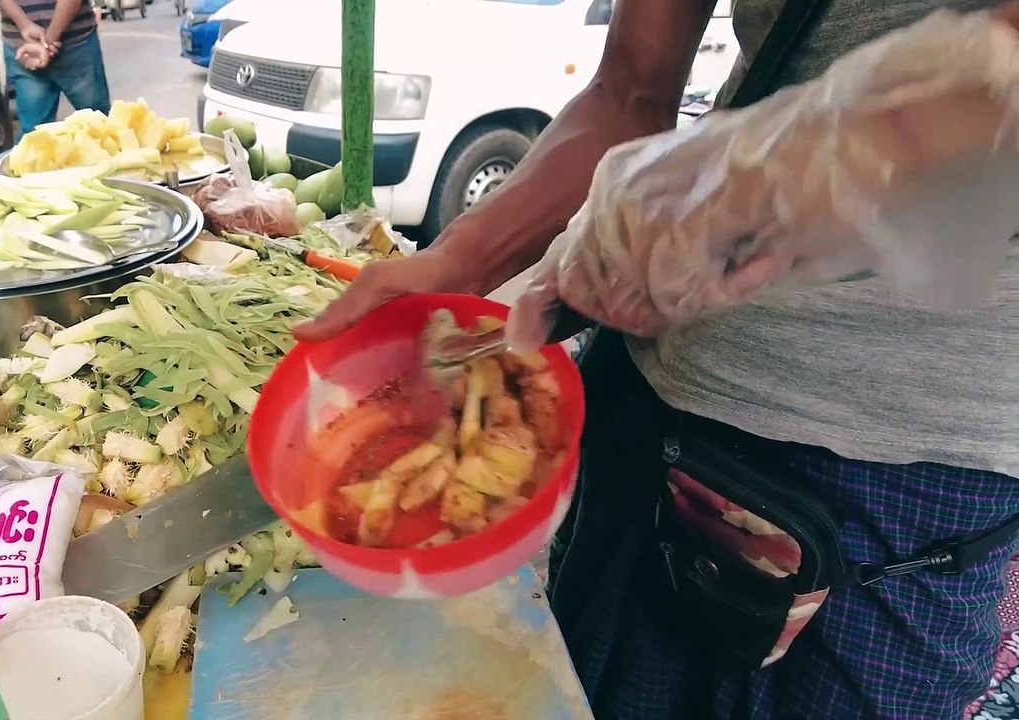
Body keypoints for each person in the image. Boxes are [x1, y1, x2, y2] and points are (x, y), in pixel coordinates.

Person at [296, 2, 1019, 719]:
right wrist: (458, 260)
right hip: (647, 404)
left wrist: (769, 178)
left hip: (894, 476)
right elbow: (629, 89)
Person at [0, 0, 112, 139]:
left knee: (35, 136)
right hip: (66, 43)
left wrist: (28, 28)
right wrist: (47, 39)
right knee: (99, 128)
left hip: (28, 44)